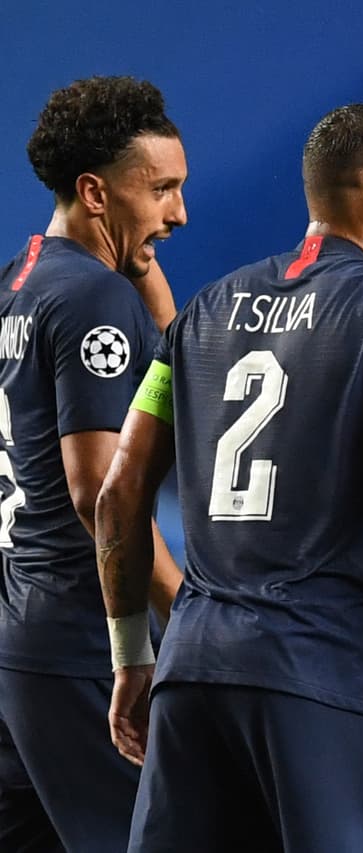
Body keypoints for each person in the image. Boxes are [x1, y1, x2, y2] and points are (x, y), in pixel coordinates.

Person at [94, 103, 363, 852]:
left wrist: (130, 656)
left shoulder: (200, 315)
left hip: (192, 671)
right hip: (317, 672)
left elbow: (118, 493)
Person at [0, 76, 186, 852]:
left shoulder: (21, 280)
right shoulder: (89, 299)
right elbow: (101, 494)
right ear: (95, 191)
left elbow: (180, 359)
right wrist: (182, 605)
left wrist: (135, 258)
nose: (178, 213)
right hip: (79, 639)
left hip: (18, 630)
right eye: (162, 189)